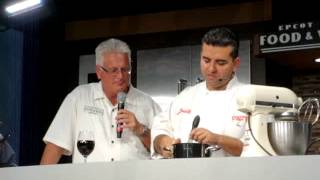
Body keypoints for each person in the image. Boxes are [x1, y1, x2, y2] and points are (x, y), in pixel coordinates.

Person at [40, 38, 161, 164]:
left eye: (125, 69)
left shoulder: (148, 104)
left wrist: (140, 129)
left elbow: (165, 151)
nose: (120, 76)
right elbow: (55, 147)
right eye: (114, 70)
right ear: (99, 72)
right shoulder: (79, 97)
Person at [151, 27, 247, 158]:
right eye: (206, 60)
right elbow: (160, 128)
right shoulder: (186, 96)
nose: (211, 69)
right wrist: (162, 142)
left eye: (220, 63)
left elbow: (260, 149)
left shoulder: (250, 97)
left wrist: (218, 139)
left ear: (236, 64)